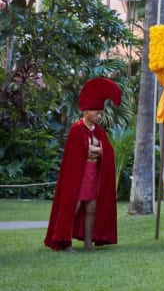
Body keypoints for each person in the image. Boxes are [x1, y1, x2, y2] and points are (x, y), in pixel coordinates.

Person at [45, 78, 121, 251]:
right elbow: (79, 154)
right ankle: (65, 242)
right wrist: (94, 150)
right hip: (78, 176)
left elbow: (107, 152)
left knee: (92, 207)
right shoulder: (76, 130)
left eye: (100, 113)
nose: (99, 116)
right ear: (87, 111)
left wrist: (96, 151)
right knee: (74, 206)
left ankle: (88, 243)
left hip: (93, 174)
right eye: (97, 113)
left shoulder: (99, 132)